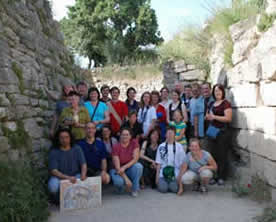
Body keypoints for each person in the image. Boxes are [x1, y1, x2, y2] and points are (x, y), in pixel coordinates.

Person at [48, 129, 87, 202]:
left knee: (84, 182)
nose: (64, 140)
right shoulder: (54, 151)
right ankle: (58, 200)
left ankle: (75, 199)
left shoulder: (77, 148)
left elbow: (83, 164)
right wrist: (68, 178)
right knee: (53, 187)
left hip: (75, 175)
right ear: (58, 139)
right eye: (62, 138)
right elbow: (54, 171)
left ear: (70, 138)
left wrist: (83, 174)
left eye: (66, 137)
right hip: (59, 177)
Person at [205, 84, 232, 186]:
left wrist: (214, 117)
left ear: (223, 92)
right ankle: (214, 176)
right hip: (212, 132)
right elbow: (207, 115)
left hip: (222, 132)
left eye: (219, 90)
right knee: (213, 154)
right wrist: (207, 117)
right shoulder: (211, 103)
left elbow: (228, 118)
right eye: (216, 91)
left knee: (222, 155)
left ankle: (221, 177)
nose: (217, 92)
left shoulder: (226, 104)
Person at [110, 128, 143, 197]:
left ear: (130, 136)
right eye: (123, 135)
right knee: (119, 183)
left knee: (138, 166)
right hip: (117, 170)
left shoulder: (134, 143)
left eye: (127, 135)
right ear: (120, 136)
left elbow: (135, 159)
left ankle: (134, 188)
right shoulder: (116, 147)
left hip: (128, 168)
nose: (125, 136)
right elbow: (118, 168)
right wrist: (126, 179)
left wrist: (124, 167)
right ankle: (122, 186)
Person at [155, 126, 186, 194]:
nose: (170, 135)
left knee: (174, 189)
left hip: (175, 174)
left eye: (171, 133)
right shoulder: (161, 146)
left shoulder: (179, 146)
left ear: (175, 134)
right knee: (163, 189)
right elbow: (158, 163)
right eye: (168, 133)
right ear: (165, 134)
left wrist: (179, 177)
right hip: (163, 174)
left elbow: (183, 164)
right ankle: (164, 184)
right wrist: (157, 177)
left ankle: (171, 184)